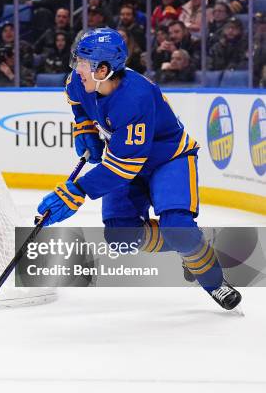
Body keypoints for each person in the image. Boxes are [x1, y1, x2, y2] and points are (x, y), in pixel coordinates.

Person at [37, 28, 241, 311]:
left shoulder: (135, 97)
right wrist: (84, 128)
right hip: (127, 159)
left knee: (177, 228)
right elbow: (77, 104)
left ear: (104, 69)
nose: (76, 68)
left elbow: (123, 169)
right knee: (121, 237)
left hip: (167, 158)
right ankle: (188, 245)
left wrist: (78, 190)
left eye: (83, 62)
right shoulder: (79, 81)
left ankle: (212, 279)